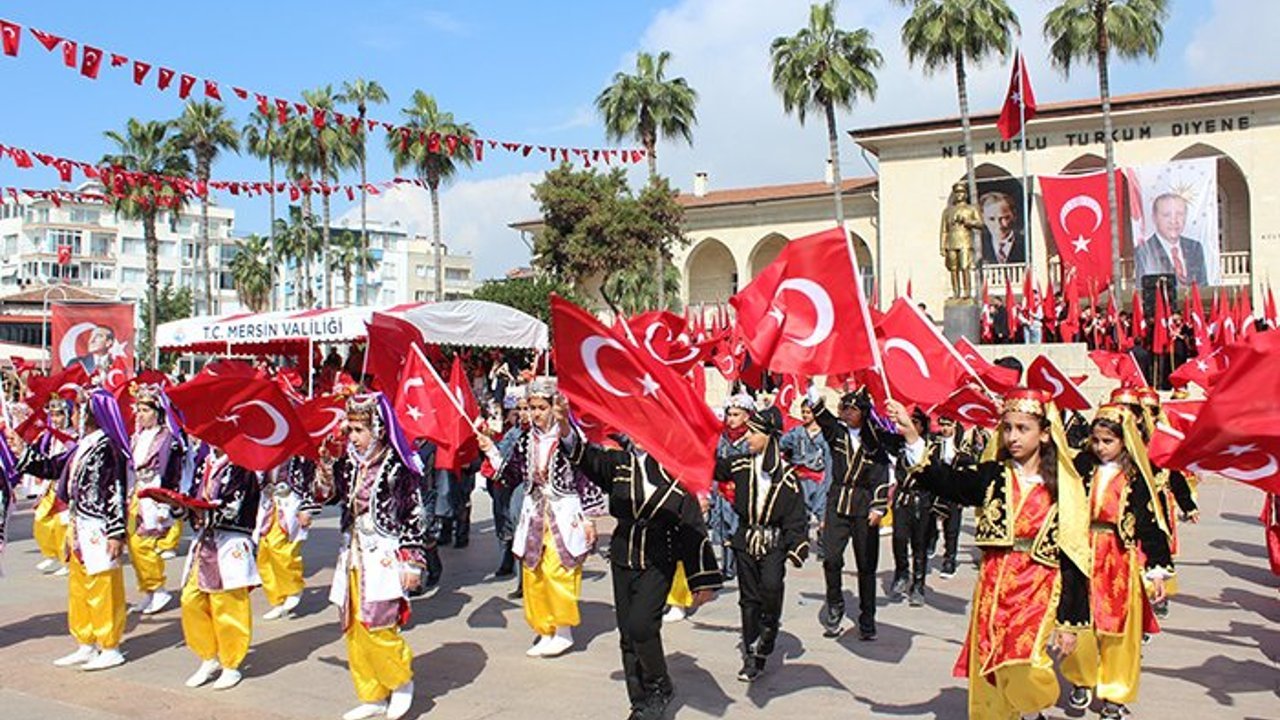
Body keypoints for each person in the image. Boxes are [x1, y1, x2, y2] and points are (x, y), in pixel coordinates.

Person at [890, 389, 1091, 720]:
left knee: (1027, 663)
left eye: (1023, 428)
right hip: (994, 586)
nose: (1013, 437)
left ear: (1044, 433)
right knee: (992, 663)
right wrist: (912, 436)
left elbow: (1074, 556)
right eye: (1007, 428)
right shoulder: (994, 476)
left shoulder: (1064, 488)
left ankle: (1030, 711)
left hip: (1039, 587)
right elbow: (947, 482)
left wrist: (1070, 623)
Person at [562, 426, 721, 719]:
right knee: (627, 634)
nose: (638, 433)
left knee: (642, 626)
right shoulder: (619, 463)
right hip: (623, 556)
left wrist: (703, 579)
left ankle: (660, 685)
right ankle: (640, 700)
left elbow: (692, 528)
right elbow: (586, 458)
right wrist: (563, 428)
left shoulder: (675, 471)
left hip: (659, 559)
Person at [315, 393, 428, 720]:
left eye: (358, 430)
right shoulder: (349, 462)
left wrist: (413, 560)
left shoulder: (398, 465)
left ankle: (400, 680)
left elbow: (414, 513)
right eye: (349, 429)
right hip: (353, 553)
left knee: (379, 622)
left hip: (383, 553)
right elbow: (329, 496)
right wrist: (325, 468)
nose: (352, 437)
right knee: (354, 625)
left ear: (377, 429)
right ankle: (372, 694)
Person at [1061, 404, 1173, 719]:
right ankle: (1081, 679)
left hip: (1118, 558)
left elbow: (1150, 524)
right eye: (1096, 440)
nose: (1100, 447)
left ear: (1124, 441)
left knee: (1119, 630)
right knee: (1078, 621)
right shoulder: (1082, 467)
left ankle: (1115, 694)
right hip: (1082, 552)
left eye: (1108, 441)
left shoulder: (1136, 476)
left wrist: (1156, 569)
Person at [484, 379, 606, 658]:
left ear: (554, 407)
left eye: (541, 407)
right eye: (531, 408)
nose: (535, 413)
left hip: (564, 512)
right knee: (534, 572)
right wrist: (490, 449)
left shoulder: (570, 437)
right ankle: (544, 629)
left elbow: (586, 476)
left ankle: (563, 630)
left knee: (558, 570)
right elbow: (510, 474)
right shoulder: (526, 439)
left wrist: (590, 518)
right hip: (534, 513)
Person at [16, 389, 132, 671]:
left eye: (79, 410)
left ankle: (110, 646)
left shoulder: (108, 449)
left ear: (92, 415)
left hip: (99, 527)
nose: (74, 415)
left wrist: (116, 532)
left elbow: (116, 491)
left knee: (103, 586)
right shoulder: (82, 446)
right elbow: (54, 467)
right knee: (79, 587)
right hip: (79, 525)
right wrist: (22, 452)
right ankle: (86, 642)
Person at [716, 407, 808, 681]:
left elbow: (796, 515)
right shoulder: (740, 465)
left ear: (769, 436)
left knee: (771, 588)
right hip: (745, 538)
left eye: (753, 433)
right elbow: (713, 467)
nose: (747, 437)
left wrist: (796, 546)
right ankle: (751, 656)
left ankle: (768, 630)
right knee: (748, 599)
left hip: (773, 541)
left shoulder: (788, 476)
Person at [808, 387, 896, 640]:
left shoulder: (875, 439)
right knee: (831, 558)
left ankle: (867, 618)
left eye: (852, 409)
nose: (846, 412)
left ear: (864, 412)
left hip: (864, 504)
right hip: (838, 502)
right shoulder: (837, 433)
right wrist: (810, 385)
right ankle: (835, 604)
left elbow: (882, 474)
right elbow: (821, 415)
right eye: (843, 408)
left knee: (866, 564)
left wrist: (878, 507)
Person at [173, 444, 262, 691]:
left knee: (228, 603)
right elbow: (194, 497)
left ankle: (231, 663)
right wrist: (180, 505)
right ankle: (208, 656)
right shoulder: (206, 462)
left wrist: (201, 510)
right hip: (205, 541)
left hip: (229, 541)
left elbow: (236, 508)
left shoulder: (241, 465)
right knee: (191, 600)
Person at [127, 384, 185, 616]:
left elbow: (172, 472)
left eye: (146, 410)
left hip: (154, 495)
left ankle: (158, 588)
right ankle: (149, 590)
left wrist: (164, 504)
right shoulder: (137, 436)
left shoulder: (166, 439)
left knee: (144, 544)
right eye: (139, 410)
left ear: (157, 412)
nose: (140, 415)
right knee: (133, 545)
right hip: (137, 494)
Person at [257, 455, 317, 620]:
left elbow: (311, 481)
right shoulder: (264, 449)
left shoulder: (301, 454)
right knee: (264, 554)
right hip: (268, 505)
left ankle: (293, 587)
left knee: (282, 549)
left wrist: (307, 509)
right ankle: (277, 600)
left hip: (290, 505)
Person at [891, 408, 935, 607]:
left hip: (922, 499)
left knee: (920, 544)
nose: (911, 425)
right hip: (902, 498)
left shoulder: (931, 447)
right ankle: (901, 572)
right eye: (910, 421)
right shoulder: (899, 445)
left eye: (916, 422)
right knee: (899, 538)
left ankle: (918, 585)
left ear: (923, 426)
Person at [779, 396, 831, 557]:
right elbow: (781, 444)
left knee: (823, 513)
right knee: (801, 514)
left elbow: (829, 459)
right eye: (803, 412)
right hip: (800, 478)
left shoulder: (825, 434)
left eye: (808, 412)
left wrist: (829, 481)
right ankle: (801, 545)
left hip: (819, 478)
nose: (805, 415)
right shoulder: (797, 432)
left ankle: (823, 547)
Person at [29, 397, 75, 576]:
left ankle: (67, 560)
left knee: (62, 524)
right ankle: (51, 553)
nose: (55, 419)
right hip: (51, 485)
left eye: (59, 415)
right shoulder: (50, 436)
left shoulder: (73, 437)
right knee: (41, 518)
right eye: (53, 415)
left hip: (65, 486)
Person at [710, 394, 754, 581]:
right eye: (729, 414)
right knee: (724, 530)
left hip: (742, 493)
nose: (731, 419)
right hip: (723, 492)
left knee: (739, 531)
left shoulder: (752, 438)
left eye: (736, 415)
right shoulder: (722, 438)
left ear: (747, 416)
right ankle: (727, 568)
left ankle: (741, 566)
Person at [1135, 193, 1209, 289]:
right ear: (1154, 218)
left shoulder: (1195, 247)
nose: (1174, 221)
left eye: (1180, 214)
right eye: (1166, 215)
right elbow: (1143, 290)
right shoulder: (1145, 251)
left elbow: (1203, 287)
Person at [980, 191, 1026, 265]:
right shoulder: (978, 246)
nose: (998, 225)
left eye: (1004, 218)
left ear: (1014, 215)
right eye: (991, 219)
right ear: (983, 219)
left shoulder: (1026, 243)